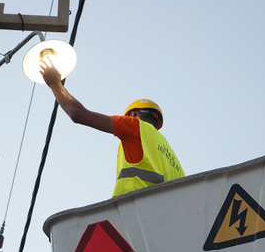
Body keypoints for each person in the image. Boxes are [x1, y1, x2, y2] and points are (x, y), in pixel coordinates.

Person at [40, 58, 185, 197]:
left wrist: (54, 84)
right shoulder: (175, 162)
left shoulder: (134, 126)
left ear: (132, 115)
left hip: (132, 209)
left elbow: (78, 114)